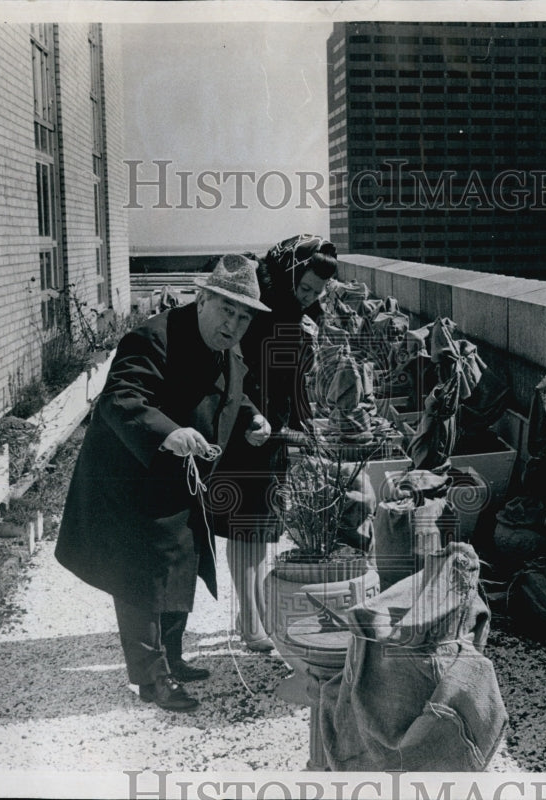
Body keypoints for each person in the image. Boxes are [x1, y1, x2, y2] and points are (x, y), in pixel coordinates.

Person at [54, 254, 272, 712]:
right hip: (133, 477)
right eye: (227, 310)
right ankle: (152, 680)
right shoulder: (153, 337)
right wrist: (168, 432)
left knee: (179, 566)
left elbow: (234, 390)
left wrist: (252, 418)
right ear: (202, 299)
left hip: (181, 479)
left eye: (243, 317)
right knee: (142, 579)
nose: (233, 325)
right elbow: (120, 397)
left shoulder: (226, 346)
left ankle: (171, 658)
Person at [208, 234, 337, 651]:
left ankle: (255, 614)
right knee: (245, 531)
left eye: (317, 292)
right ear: (289, 274)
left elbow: (294, 380)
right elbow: (229, 368)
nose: (309, 297)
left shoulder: (300, 314)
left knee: (263, 531)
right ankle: (250, 623)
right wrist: (250, 416)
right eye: (305, 288)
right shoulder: (256, 307)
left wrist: (306, 425)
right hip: (246, 428)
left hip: (275, 432)